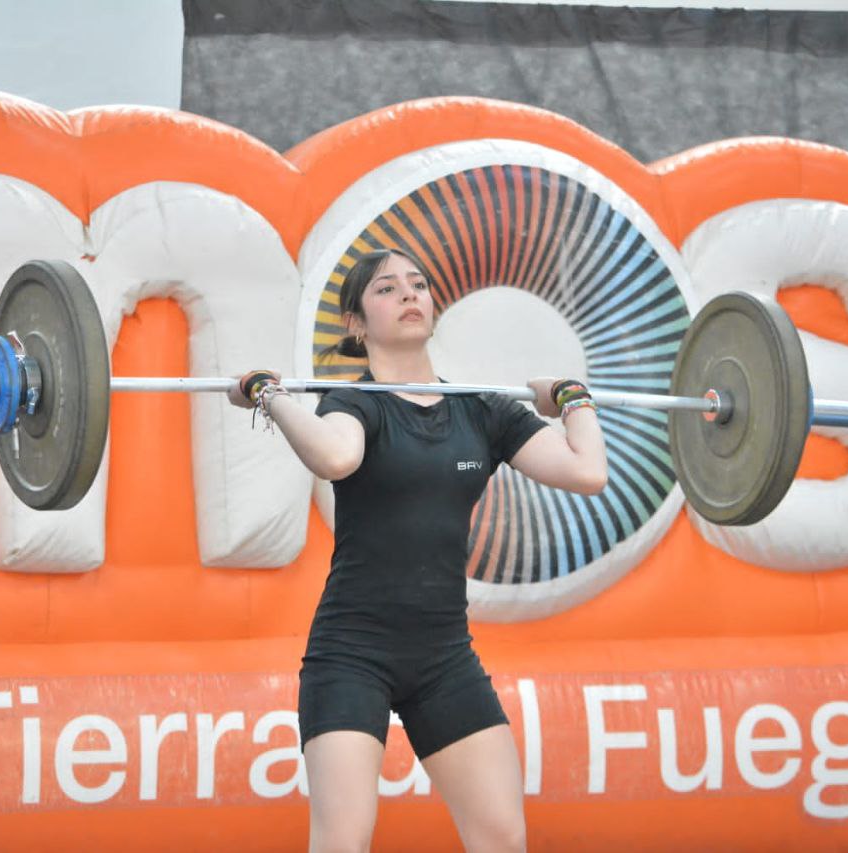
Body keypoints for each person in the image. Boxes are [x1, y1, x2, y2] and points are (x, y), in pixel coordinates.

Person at [228, 248, 607, 852]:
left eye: (418, 285)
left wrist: (570, 398)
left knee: (503, 838)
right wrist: (269, 395)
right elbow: (334, 457)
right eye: (386, 289)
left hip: (444, 659)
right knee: (343, 842)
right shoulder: (351, 404)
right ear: (356, 323)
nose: (409, 295)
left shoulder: (484, 411)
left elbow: (587, 472)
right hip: (352, 655)